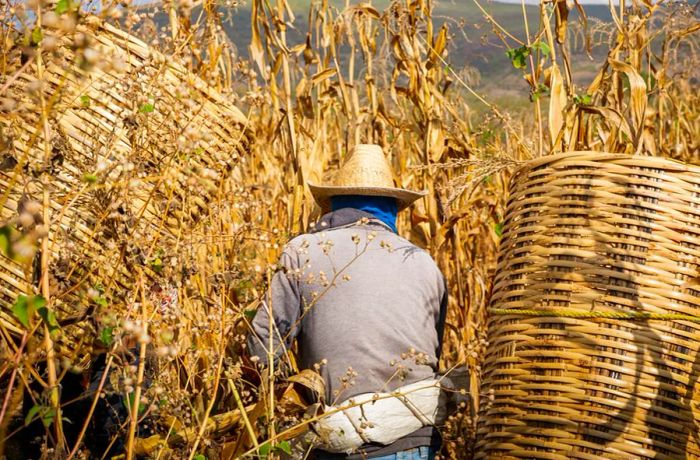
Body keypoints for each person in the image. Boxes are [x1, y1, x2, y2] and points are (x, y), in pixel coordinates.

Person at [247, 144, 448, 459]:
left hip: (339, 441)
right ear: (393, 208)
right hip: (415, 438)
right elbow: (432, 351)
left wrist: (278, 400)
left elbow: (264, 348)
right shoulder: (426, 264)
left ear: (334, 205)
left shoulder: (303, 251)